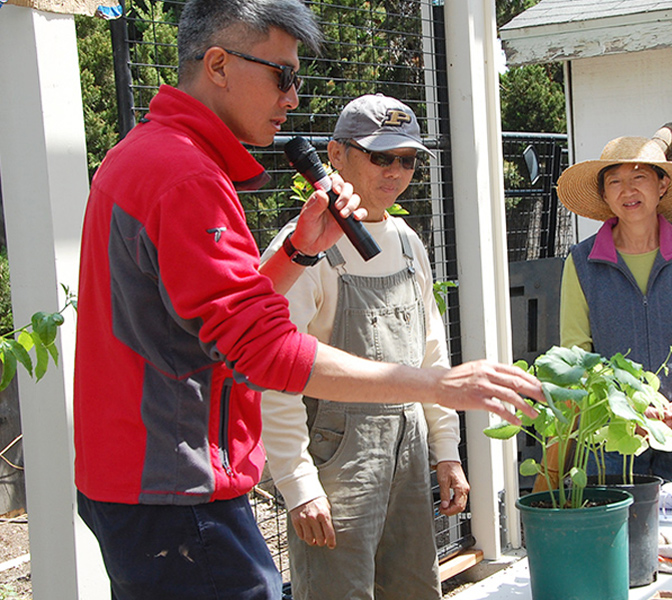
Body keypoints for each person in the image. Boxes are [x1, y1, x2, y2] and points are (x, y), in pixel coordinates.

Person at [72, 2, 542, 599]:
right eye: (283, 76)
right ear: (218, 64)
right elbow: (263, 351)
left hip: (150, 482)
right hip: (176, 487)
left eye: (407, 160)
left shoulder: (148, 154)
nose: (292, 97)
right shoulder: (184, 174)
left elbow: (211, 324)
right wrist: (437, 385)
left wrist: (297, 250)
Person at [260, 94, 465, 600]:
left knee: (415, 588)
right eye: (380, 156)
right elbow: (274, 374)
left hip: (410, 450)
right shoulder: (304, 248)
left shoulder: (408, 243)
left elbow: (430, 355)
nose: (395, 171)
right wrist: (299, 483)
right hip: (337, 460)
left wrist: (447, 451)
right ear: (334, 154)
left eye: (408, 159)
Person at [556, 136, 672, 482]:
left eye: (639, 178)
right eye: (615, 182)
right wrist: (629, 407)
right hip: (612, 433)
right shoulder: (581, 262)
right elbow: (576, 354)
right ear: (605, 196)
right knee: (617, 533)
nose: (628, 191)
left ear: (662, 185)